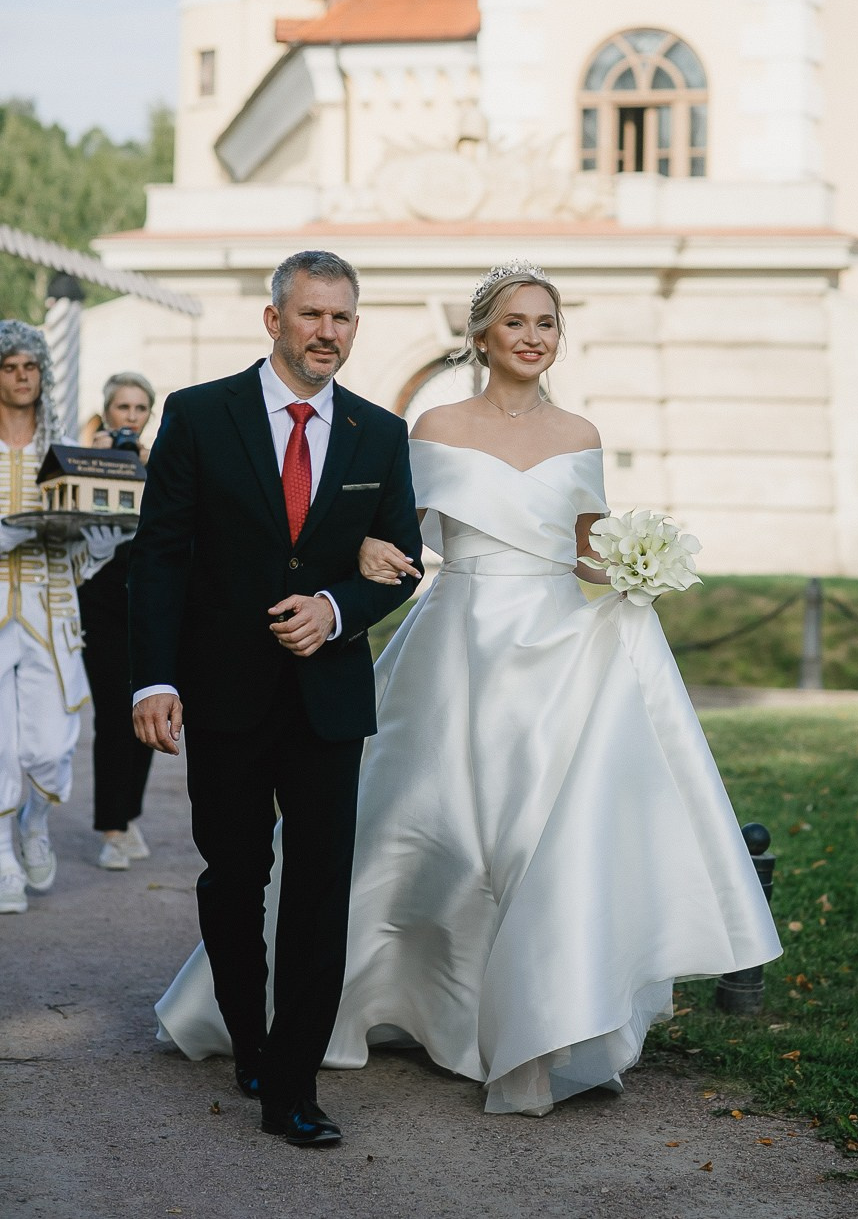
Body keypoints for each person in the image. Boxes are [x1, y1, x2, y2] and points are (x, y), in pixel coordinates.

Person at [154, 263, 782, 1117]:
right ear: (482, 333)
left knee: (535, 840)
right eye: (517, 322)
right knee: (421, 832)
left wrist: (641, 567)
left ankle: (528, 1023)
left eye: (547, 324)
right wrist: (362, 571)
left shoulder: (581, 432)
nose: (533, 337)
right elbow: (384, 537)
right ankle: (362, 1008)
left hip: (559, 651)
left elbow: (589, 549)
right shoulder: (429, 426)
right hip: (459, 646)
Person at [127, 251, 423, 1148]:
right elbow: (162, 555)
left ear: (355, 328)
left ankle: (292, 1083)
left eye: (341, 318)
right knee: (235, 876)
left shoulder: (380, 434)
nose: (326, 332)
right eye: (310, 316)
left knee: (320, 888)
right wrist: (154, 677)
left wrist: (338, 606)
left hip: (328, 696)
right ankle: (249, 1040)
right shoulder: (198, 414)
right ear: (274, 321)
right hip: (222, 691)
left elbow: (400, 560)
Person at [0, 320, 121, 915]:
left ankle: (34, 819)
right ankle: (1, 858)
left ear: (43, 375)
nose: (21, 377)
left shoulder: (64, 453)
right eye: (9, 366)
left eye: (30, 366)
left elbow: (74, 549)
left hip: (49, 612)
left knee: (50, 746)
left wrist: (95, 550)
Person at [78, 372, 156, 871]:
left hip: (150, 601)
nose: (130, 417)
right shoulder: (84, 460)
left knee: (150, 707)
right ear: (107, 413)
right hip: (100, 601)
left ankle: (128, 814)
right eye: (122, 407)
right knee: (112, 713)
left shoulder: (164, 463)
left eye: (139, 408)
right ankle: (112, 826)